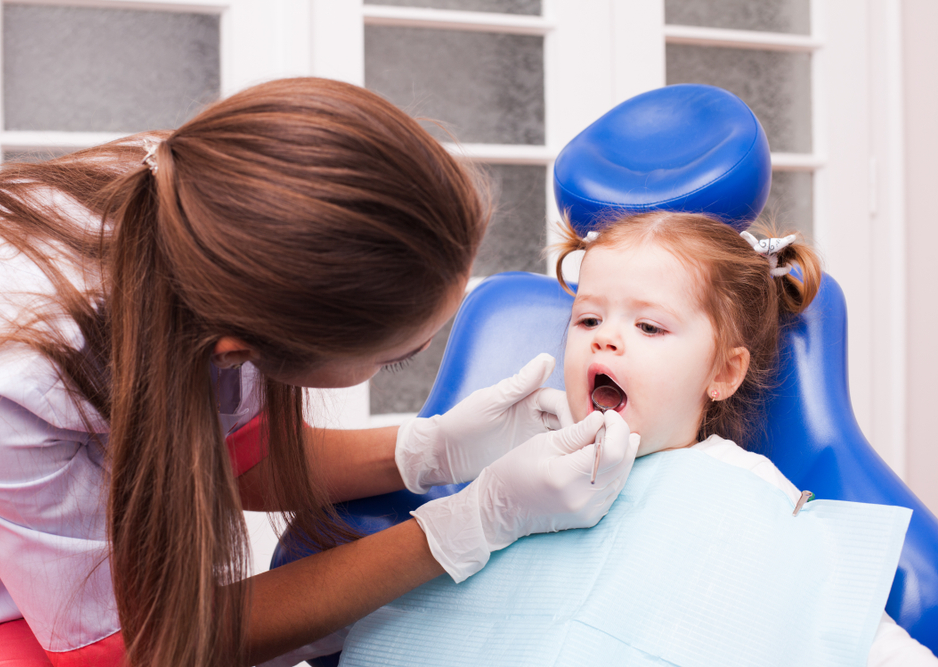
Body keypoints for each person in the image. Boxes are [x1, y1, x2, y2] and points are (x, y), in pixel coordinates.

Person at [0, 77, 636, 667]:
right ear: (241, 347)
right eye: (399, 355)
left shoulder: (195, 199)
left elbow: (239, 455)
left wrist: (431, 448)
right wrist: (467, 523)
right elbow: (127, 645)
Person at [343, 210, 936, 664]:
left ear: (723, 373)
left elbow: (844, 626)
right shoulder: (517, 481)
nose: (606, 339)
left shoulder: (746, 491)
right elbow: (388, 615)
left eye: (649, 325)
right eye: (589, 319)